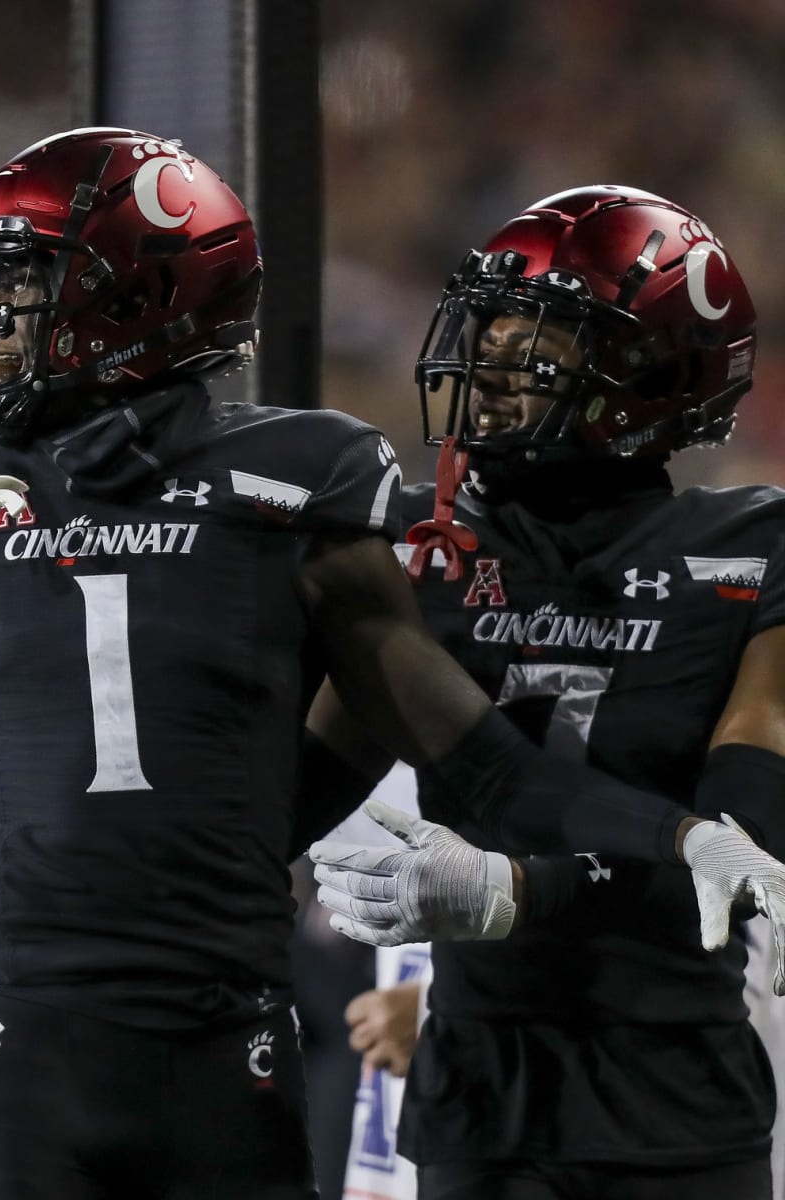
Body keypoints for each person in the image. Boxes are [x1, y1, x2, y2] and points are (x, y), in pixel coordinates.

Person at [0, 132, 784, 1199]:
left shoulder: (303, 484)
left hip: (253, 1045)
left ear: (141, 299)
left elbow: (484, 767)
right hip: (44, 1044)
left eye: (25, 286)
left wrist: (642, 854)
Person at [309, 184, 785, 1198]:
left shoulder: (753, 551)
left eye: (539, 350)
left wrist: (522, 892)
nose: (487, 375)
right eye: (489, 337)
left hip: (669, 1100)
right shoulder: (412, 547)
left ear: (650, 368)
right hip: (478, 1093)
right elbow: (289, 792)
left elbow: (743, 858)